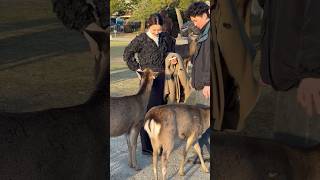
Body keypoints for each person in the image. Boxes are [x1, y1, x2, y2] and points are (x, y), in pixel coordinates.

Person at [259, 0, 320, 148]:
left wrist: (312, 72)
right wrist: (268, 64)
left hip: (305, 77)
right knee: (287, 155)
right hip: (287, 72)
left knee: (305, 158)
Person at [123, 13, 176, 155]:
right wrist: (137, 69)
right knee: (147, 112)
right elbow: (127, 54)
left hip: (164, 78)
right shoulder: (141, 39)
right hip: (148, 81)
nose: (158, 32)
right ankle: (147, 146)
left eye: (159, 29)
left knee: (161, 112)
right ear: (148, 26)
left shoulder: (165, 37)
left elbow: (172, 51)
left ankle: (159, 142)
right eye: (154, 30)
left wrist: (172, 58)